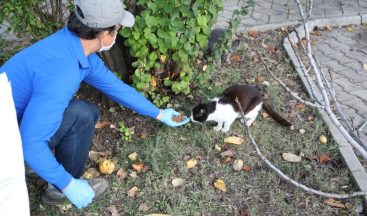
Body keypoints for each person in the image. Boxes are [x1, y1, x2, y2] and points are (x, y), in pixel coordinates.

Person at [0, 0, 189, 209]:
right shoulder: (62, 72)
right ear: (104, 34)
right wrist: (68, 184)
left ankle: (40, 167)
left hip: (10, 122)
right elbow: (30, 143)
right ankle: (56, 189)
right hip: (5, 146)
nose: (117, 34)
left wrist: (159, 113)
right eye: (116, 29)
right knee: (80, 115)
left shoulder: (72, 46)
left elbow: (115, 87)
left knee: (89, 112)